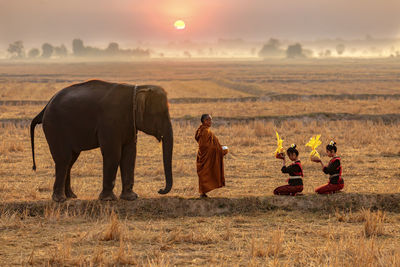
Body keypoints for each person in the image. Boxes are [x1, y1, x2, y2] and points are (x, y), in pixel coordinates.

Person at [195, 114, 228, 198]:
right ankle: (202, 192)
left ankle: (203, 193)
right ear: (203, 121)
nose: (210, 122)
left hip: (206, 155)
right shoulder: (204, 131)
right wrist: (219, 150)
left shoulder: (203, 130)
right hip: (205, 156)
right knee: (205, 174)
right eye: (208, 120)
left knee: (205, 174)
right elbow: (204, 146)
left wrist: (218, 148)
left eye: (210, 120)